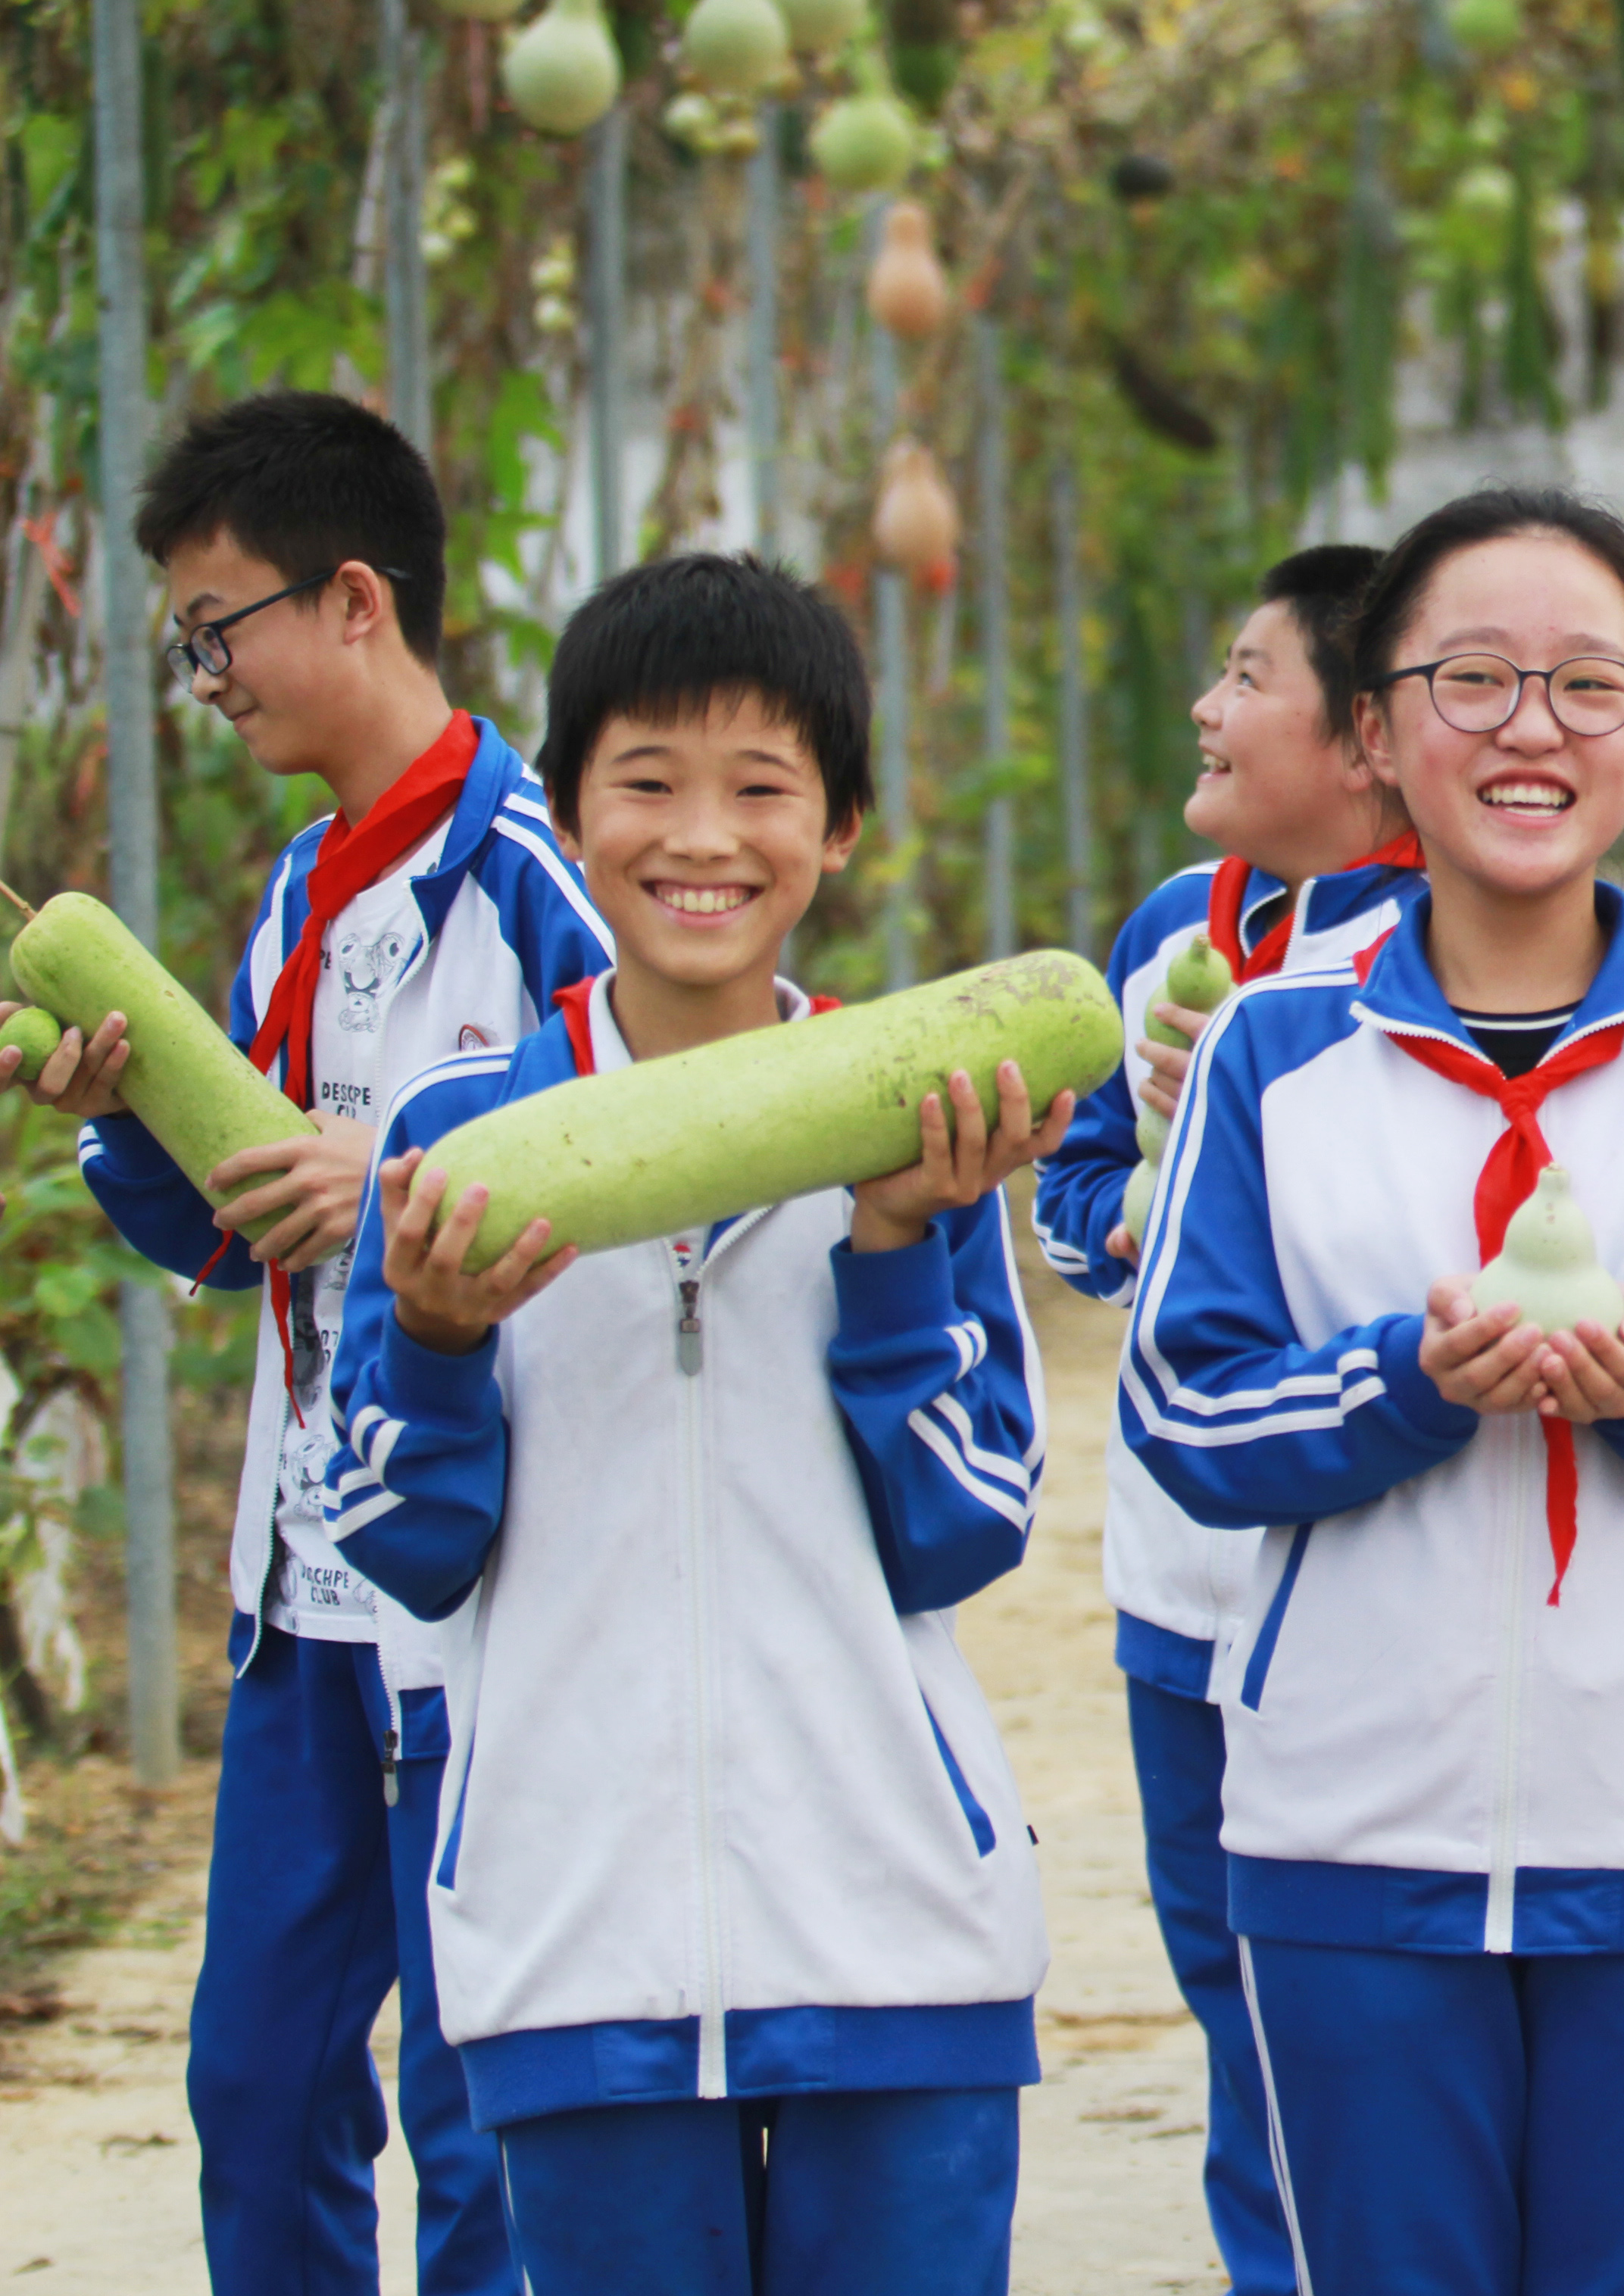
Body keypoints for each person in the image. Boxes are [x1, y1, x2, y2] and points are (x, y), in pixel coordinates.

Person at [1117, 487, 1624, 2296]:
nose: (1530, 725)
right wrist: (1401, 1378)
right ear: (1378, 734)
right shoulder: (1275, 1045)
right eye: (1471, 678)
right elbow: (1187, 1410)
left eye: (1589, 684)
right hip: (1343, 1829)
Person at [320, 553, 1064, 2296]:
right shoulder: (460, 1137)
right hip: (578, 1956)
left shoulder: (915, 1120)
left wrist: (892, 1258)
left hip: (898, 1940)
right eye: (646, 783)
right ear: (569, 816)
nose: (703, 838)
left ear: (844, 828)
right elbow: (400, 1547)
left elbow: (970, 1524)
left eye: (765, 790)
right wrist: (431, 1342)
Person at [14, 393, 609, 2296]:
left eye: (216, 626)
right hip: (305, 1589)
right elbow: (234, 1221)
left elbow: (656, 1152)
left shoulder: (544, 874)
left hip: (482, 1586)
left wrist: (418, 1159)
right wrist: (119, 1118)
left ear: (353, 598)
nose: (200, 674)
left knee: (474, 2104)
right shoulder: (297, 892)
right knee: (257, 2091)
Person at [1028, 541, 1422, 2294]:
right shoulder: (1164, 945)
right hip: (1179, 1572)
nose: (1206, 705)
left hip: (1366, 1570)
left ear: (1362, 742)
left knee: (1372, 2003)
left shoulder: (1450, 945)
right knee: (1228, 1982)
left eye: (1248, 677)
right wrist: (1151, 1191)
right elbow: (1077, 1194)